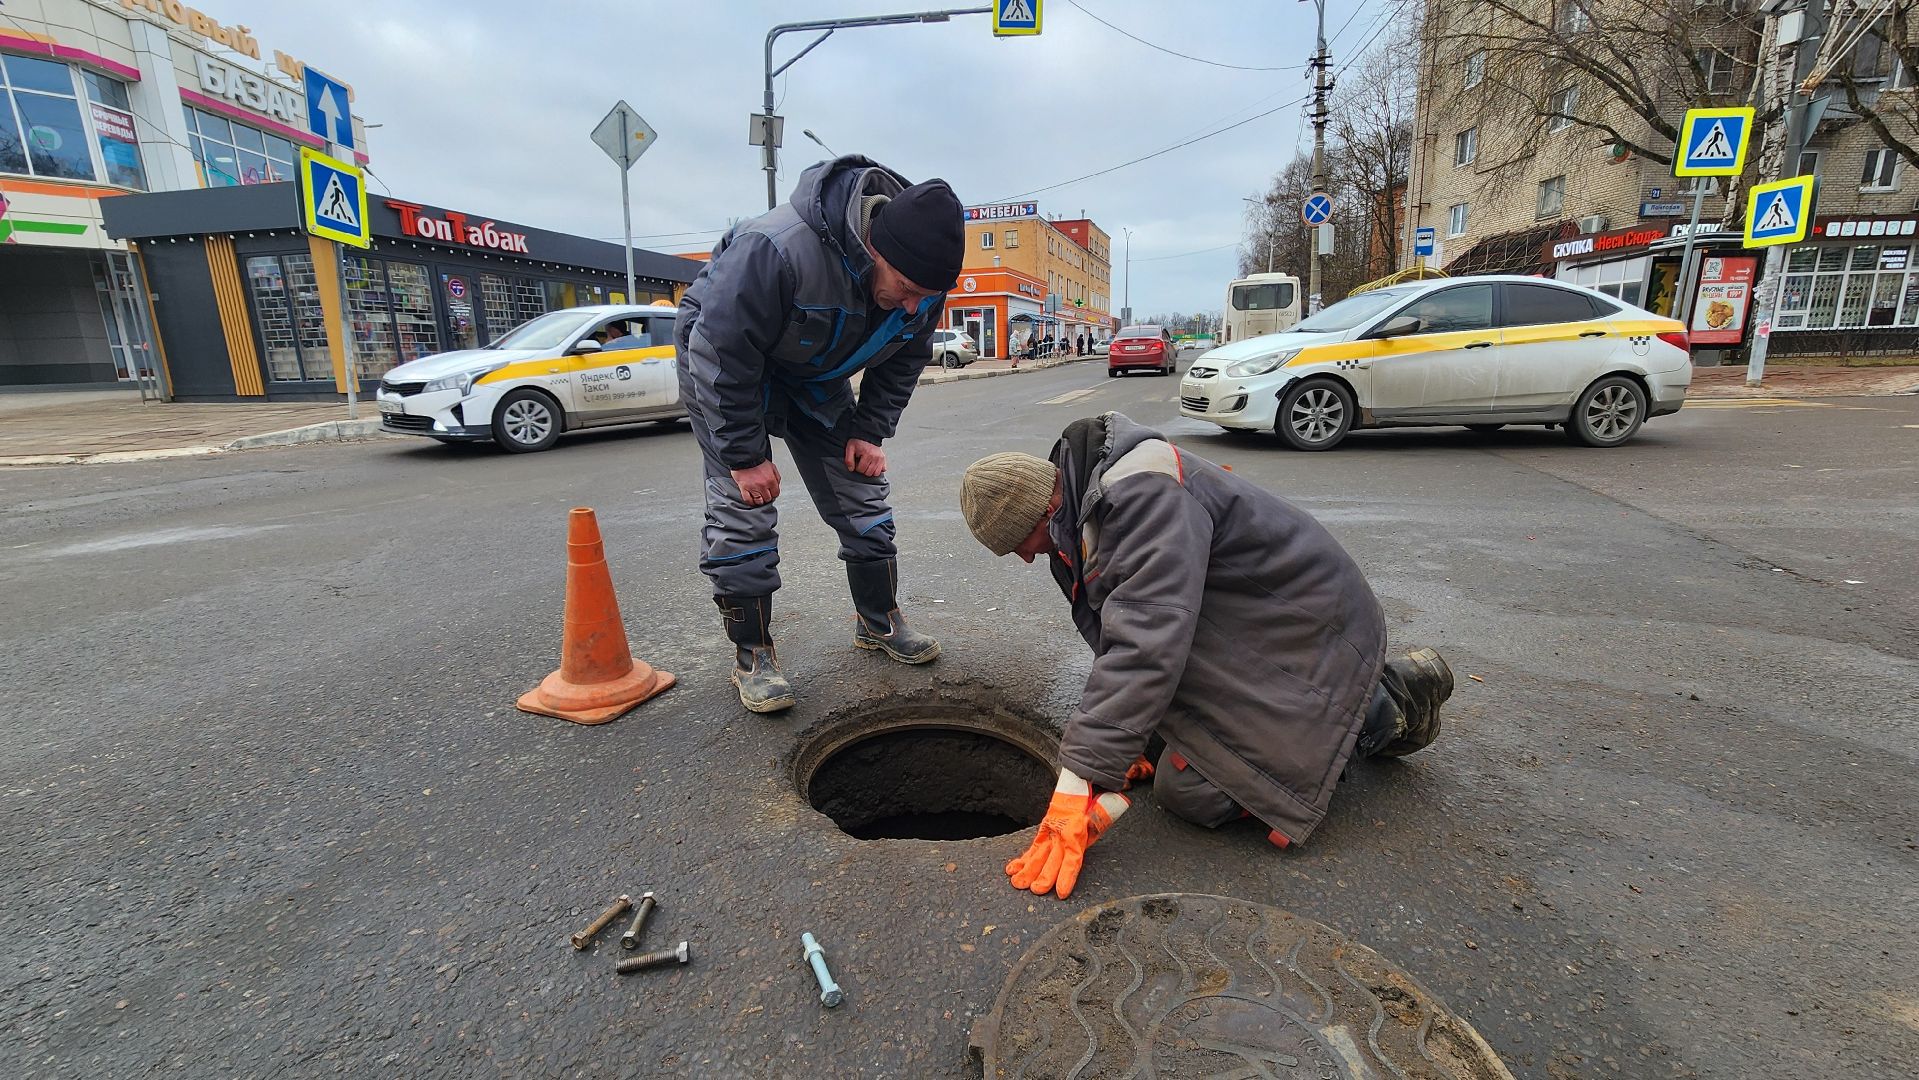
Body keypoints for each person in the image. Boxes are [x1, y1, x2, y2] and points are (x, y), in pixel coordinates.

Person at [958, 412, 1453, 899]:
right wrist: (1118, 746)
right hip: (1243, 633)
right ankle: (1338, 709)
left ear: (1044, 509)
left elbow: (1145, 641)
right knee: (1150, 747)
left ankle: (1382, 707)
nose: (1025, 558)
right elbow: (1128, 632)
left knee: (1190, 792)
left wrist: (1077, 780)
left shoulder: (1140, 499)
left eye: (1021, 545)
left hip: (1305, 633)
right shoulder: (1075, 523)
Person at [676, 156, 964, 713]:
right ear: (875, 246)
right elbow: (720, 349)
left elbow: (904, 359)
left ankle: (879, 622)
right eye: (905, 288)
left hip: (812, 372)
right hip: (726, 364)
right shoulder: (777, 249)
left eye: (924, 298)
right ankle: (753, 656)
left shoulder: (922, 287)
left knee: (861, 491)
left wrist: (870, 430)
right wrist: (743, 454)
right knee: (746, 504)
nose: (913, 305)